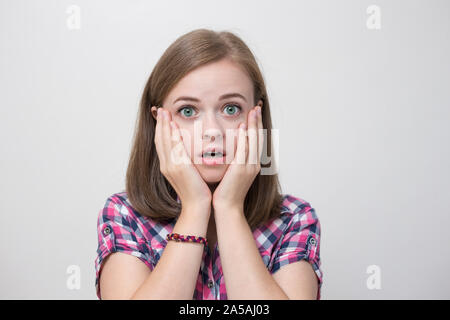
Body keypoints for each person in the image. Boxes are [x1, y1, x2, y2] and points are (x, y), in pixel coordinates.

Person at [94, 28, 323, 300]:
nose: (212, 131)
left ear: (257, 117)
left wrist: (229, 207)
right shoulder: (124, 215)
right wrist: (195, 207)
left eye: (231, 109)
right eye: (188, 111)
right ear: (159, 123)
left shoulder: (293, 219)